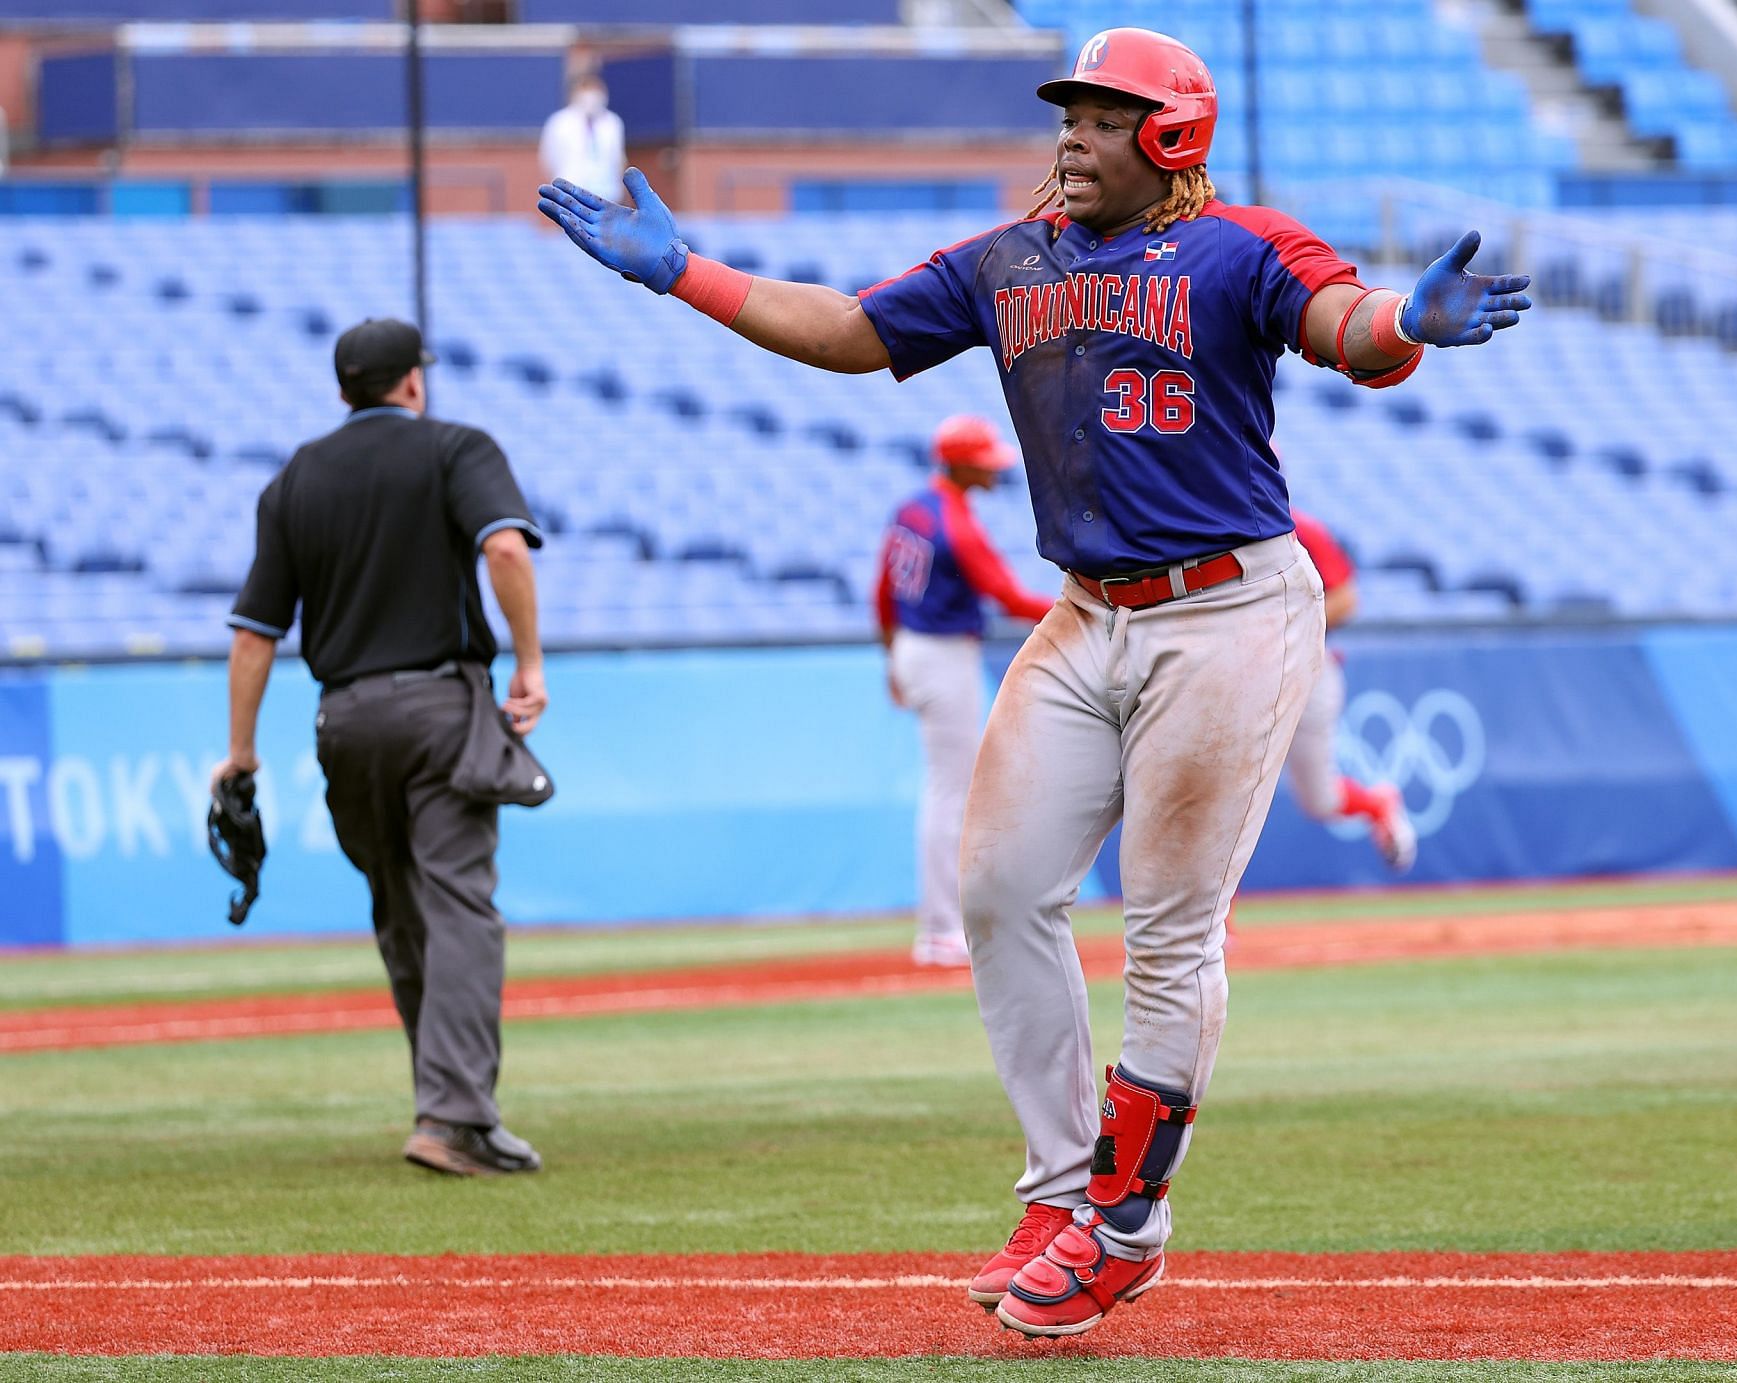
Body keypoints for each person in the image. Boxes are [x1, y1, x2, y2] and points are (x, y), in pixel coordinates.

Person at [537, 24, 1528, 1338]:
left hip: (1225, 608)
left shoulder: (1242, 245)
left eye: (1104, 116)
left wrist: (1407, 319)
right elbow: (849, 330)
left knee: (1171, 925)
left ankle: (1125, 1222)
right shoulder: (1014, 257)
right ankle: (1064, 1189)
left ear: (1170, 136)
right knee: (997, 887)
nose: (1072, 132)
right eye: (1069, 112)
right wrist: (685, 276)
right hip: (1086, 609)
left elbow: (1343, 324)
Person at [213, 318, 551, 1178]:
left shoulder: (296, 477)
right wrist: (531, 661)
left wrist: (241, 754)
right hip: (440, 708)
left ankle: (444, 1103)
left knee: (403, 913)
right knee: (460, 906)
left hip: (344, 723)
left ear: (342, 391)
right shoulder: (454, 447)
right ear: (412, 382)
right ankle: (454, 1115)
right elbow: (504, 545)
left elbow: (254, 634)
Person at [876, 414, 1056, 969]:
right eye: (983, 463)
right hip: (942, 652)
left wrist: (890, 658)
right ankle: (939, 929)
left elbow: (882, 591)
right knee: (951, 793)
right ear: (957, 463)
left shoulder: (913, 509)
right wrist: (1078, 610)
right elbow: (1005, 593)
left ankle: (942, 924)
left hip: (912, 645)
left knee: (949, 789)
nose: (992, 471)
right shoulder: (953, 523)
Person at [1286, 511, 1417, 871]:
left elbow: (1345, 599)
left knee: (1320, 799)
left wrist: (1285, 628)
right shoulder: (1209, 527)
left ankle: (1377, 805)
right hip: (1241, 675)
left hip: (1306, 669)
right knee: (1225, 793)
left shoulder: (1299, 527)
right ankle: (1219, 925)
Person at [538, 69, 626, 205]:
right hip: (571, 191)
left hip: (607, 192)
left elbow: (617, 158)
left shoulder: (612, 122)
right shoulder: (560, 122)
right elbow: (549, 157)